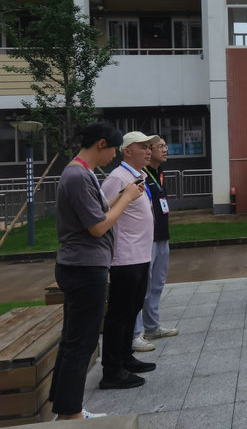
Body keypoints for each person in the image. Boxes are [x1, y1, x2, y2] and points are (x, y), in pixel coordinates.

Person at [48, 122, 144, 420]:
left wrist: (122, 195)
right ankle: (71, 413)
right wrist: (126, 199)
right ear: (101, 144)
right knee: (82, 342)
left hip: (82, 266)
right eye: (114, 149)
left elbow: (98, 212)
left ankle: (64, 406)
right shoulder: (78, 176)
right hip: (84, 268)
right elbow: (98, 226)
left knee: (74, 339)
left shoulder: (81, 172)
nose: (114, 156)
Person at [99, 131, 160, 390]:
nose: (148, 151)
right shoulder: (117, 178)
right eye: (143, 147)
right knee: (119, 313)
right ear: (127, 151)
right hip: (125, 257)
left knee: (132, 308)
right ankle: (112, 370)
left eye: (149, 147)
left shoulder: (139, 176)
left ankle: (125, 358)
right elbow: (103, 211)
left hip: (141, 255)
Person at [132, 137, 178, 352]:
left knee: (157, 283)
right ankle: (136, 333)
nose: (165, 149)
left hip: (162, 235)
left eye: (165, 146)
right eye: (160, 146)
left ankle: (152, 327)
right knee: (143, 286)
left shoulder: (159, 173)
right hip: (146, 239)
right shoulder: (140, 175)